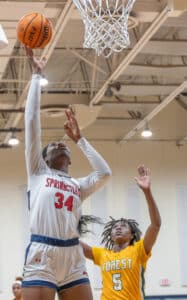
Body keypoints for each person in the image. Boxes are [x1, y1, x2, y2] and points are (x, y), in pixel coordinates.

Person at [22, 46, 112, 300]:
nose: (60, 144)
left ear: (70, 160)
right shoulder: (38, 173)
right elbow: (31, 123)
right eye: (52, 146)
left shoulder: (77, 184)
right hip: (43, 252)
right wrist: (36, 77)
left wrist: (81, 140)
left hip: (73, 255)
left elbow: (105, 173)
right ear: (44, 158)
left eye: (63, 145)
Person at [81, 165, 161, 300]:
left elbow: (155, 225)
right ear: (110, 235)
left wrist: (147, 192)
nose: (118, 228)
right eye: (115, 227)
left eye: (123, 226)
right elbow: (74, 244)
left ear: (131, 235)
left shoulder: (139, 250)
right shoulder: (102, 254)